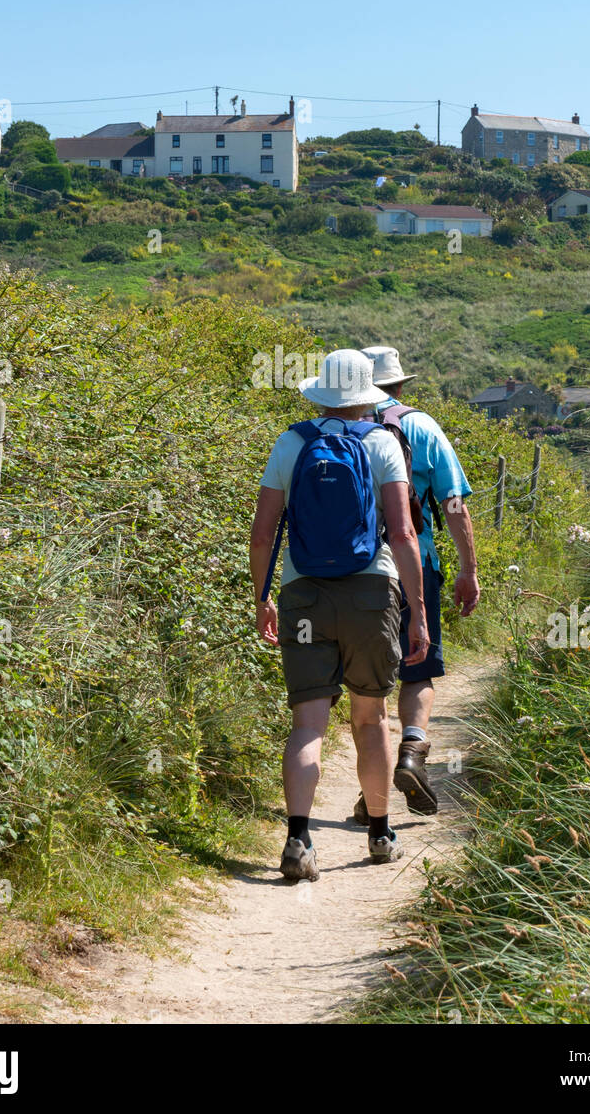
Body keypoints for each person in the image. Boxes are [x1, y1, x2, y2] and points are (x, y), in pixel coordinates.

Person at [250, 349, 430, 882]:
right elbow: (402, 534)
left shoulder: (292, 441)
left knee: (308, 722)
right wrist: (416, 611)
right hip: (370, 592)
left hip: (302, 592)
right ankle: (379, 833)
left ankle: (298, 839)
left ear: (321, 391)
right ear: (369, 394)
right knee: (369, 717)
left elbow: (263, 533)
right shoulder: (382, 443)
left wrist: (262, 597)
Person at [350, 345, 480, 821]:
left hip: (355, 570)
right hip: (415, 564)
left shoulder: (340, 428)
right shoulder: (421, 427)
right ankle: (412, 750)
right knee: (417, 668)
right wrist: (468, 569)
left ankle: (373, 794)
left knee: (369, 687)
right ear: (401, 384)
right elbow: (453, 505)